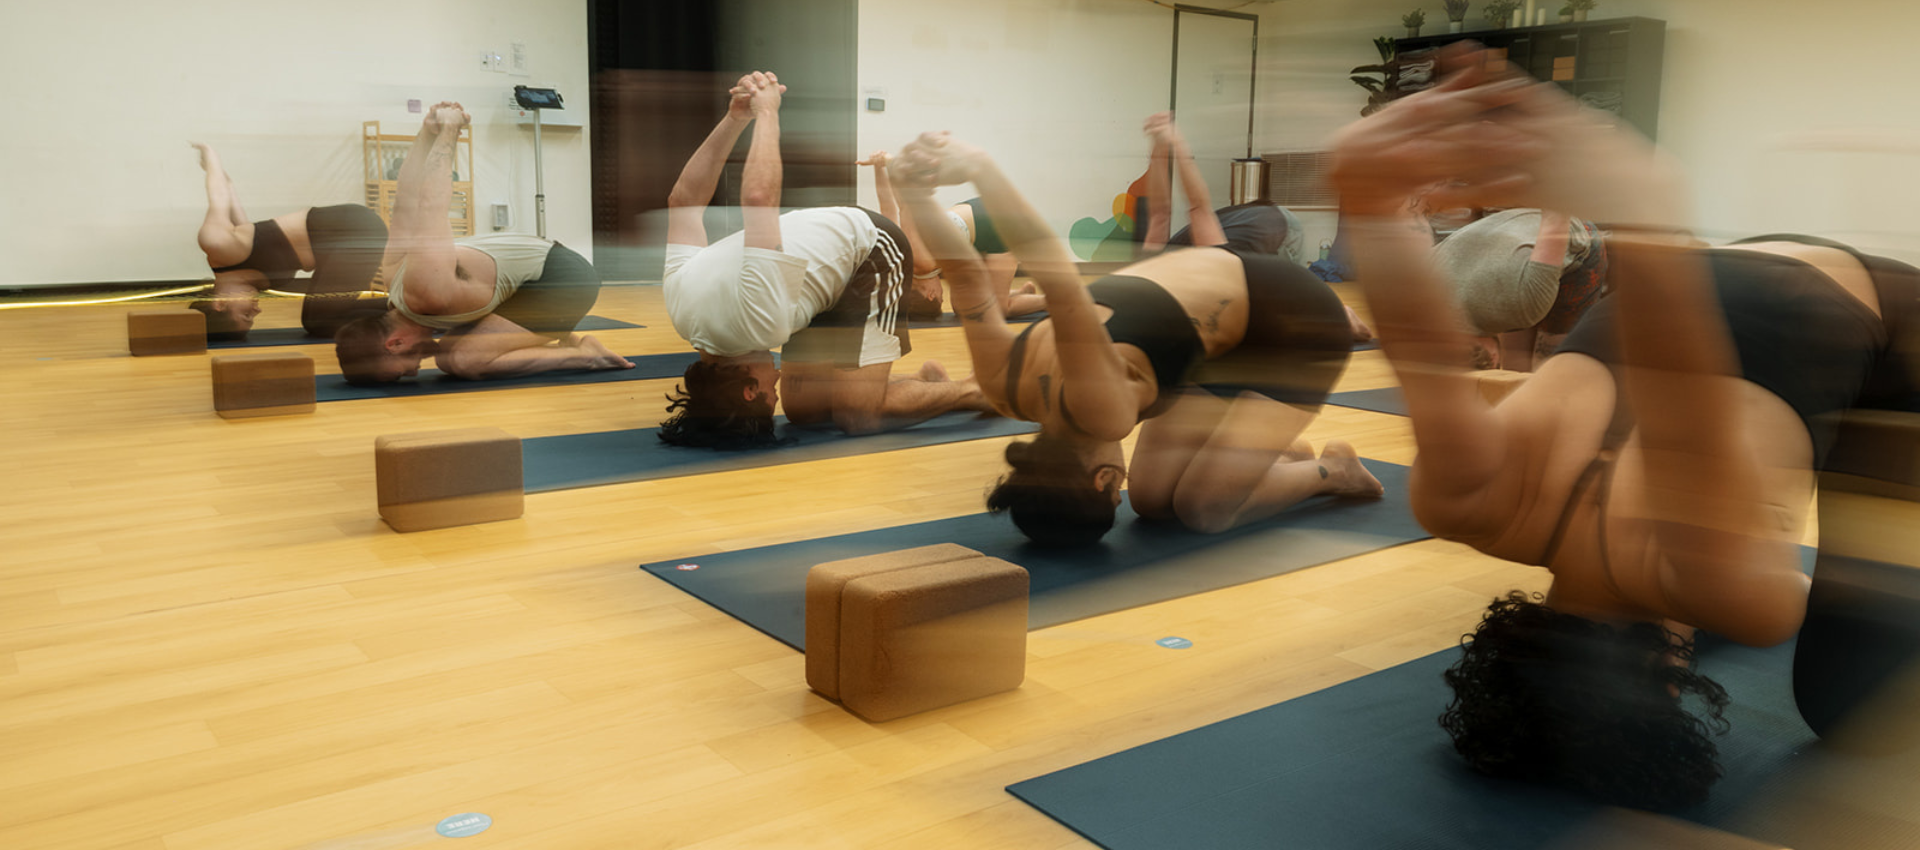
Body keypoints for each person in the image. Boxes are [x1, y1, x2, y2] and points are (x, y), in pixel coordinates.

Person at [1326, 45, 1920, 808]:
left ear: (1669, 681)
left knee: (1852, 709)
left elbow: (1683, 415)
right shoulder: (1469, 505)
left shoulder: (1731, 590)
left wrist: (1645, 216)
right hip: (1723, 281)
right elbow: (1425, 357)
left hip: (1891, 322)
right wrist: (1369, 203)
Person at [889, 131, 1384, 546]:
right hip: (1219, 328)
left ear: (1102, 479)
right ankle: (1265, 454)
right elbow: (968, 279)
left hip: (1292, 321)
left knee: (1203, 509)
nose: (1122, 485)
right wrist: (913, 194)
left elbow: (1057, 278)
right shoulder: (1002, 387)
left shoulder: (1101, 410)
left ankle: (1334, 471)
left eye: (1115, 489)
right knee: (1153, 502)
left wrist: (982, 167)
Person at [658, 72, 991, 447]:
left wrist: (767, 114)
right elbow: (682, 199)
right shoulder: (683, 313)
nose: (778, 382)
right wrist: (735, 117)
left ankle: (973, 390)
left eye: (770, 393)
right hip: (813, 277)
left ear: (749, 390)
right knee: (806, 412)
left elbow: (757, 200)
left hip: (870, 251)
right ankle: (922, 389)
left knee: (858, 418)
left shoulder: (759, 321)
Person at [332, 103, 630, 385]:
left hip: (562, 280)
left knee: (463, 360)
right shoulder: (394, 280)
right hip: (534, 273)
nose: (411, 374)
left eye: (398, 374)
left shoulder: (424, 294)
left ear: (394, 344)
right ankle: (565, 338)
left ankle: (584, 356)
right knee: (447, 355)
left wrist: (449, 130)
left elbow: (429, 203)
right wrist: (426, 133)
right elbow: (405, 199)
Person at [191, 143, 389, 339]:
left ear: (220, 304)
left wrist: (211, 158)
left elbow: (218, 198)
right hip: (346, 244)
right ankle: (401, 306)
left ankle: (407, 308)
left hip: (354, 230)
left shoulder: (218, 245)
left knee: (318, 321)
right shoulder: (247, 270)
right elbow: (232, 201)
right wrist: (227, 181)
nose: (257, 311)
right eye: (253, 317)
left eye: (246, 314)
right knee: (319, 319)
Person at [862, 151, 1048, 321]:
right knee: (963, 309)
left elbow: (906, 205)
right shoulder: (903, 262)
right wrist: (880, 168)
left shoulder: (922, 261)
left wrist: (892, 164)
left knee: (999, 311)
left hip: (1000, 224)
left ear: (931, 294)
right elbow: (888, 207)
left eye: (941, 297)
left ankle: (1050, 301)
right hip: (977, 227)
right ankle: (1022, 293)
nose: (943, 295)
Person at [1432, 207, 1609, 371]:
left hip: (1569, 236)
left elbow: (1556, 224)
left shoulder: (1524, 304)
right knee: (1516, 362)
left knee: (1550, 362)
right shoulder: (1421, 296)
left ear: (1494, 358)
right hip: (1506, 232)